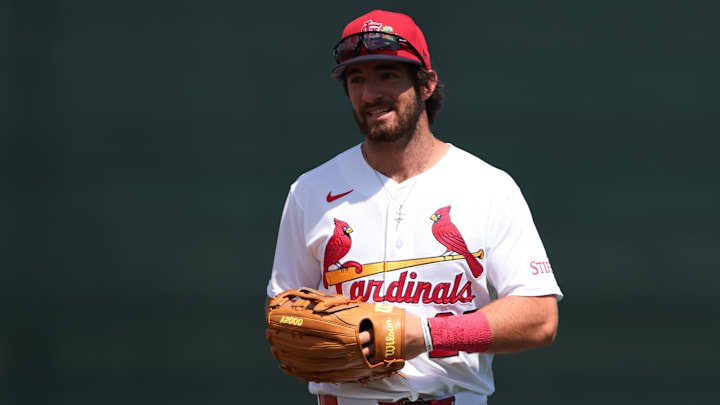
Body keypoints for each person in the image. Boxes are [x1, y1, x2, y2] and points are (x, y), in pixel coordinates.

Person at [266, 9, 563, 405]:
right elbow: (283, 313)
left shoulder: (489, 187)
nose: (370, 93)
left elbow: (539, 318)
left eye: (387, 74)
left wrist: (425, 334)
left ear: (426, 84)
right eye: (357, 79)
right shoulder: (311, 191)